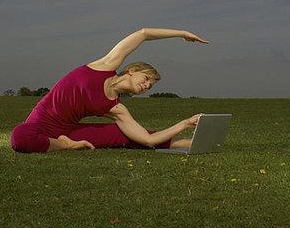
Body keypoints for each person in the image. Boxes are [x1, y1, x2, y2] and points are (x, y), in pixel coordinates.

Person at [11, 27, 209, 153]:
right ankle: (64, 145)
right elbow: (143, 34)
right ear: (131, 70)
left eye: (150, 86)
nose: (147, 85)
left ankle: (195, 144)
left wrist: (184, 123)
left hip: (69, 131)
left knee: (130, 137)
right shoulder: (105, 65)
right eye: (147, 78)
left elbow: (148, 140)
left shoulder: (117, 108)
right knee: (21, 138)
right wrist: (182, 33)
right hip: (40, 124)